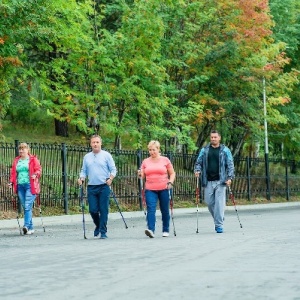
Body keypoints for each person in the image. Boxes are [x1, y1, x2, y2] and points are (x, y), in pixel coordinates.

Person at [194, 130, 234, 233]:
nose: (213, 139)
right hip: (208, 181)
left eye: (215, 137)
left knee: (219, 204)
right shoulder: (205, 150)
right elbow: (198, 162)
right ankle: (219, 217)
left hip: (221, 181)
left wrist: (229, 177)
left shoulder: (225, 150)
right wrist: (197, 170)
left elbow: (230, 164)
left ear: (219, 138)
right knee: (209, 202)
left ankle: (219, 225)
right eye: (211, 137)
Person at [78, 135, 117, 239]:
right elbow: (84, 170)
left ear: (100, 143)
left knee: (103, 209)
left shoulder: (106, 155)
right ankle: (98, 225)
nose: (95, 144)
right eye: (93, 142)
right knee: (93, 210)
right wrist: (81, 178)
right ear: (90, 144)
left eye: (97, 142)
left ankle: (103, 231)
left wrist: (111, 178)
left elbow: (113, 169)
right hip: (92, 186)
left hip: (104, 186)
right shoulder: (87, 157)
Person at [138, 140, 176, 238]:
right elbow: (142, 176)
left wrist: (170, 182)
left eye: (153, 150)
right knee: (151, 209)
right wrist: (140, 174)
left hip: (164, 187)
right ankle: (151, 229)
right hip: (150, 189)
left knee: (164, 209)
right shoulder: (145, 162)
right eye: (150, 150)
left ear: (158, 149)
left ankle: (166, 229)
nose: (152, 152)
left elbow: (172, 173)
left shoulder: (165, 160)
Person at [9, 142, 42, 235]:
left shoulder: (33, 159)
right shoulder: (16, 160)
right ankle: (30, 228)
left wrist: (35, 174)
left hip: (30, 185)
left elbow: (38, 169)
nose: (21, 150)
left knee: (27, 205)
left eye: (23, 149)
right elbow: (13, 173)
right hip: (20, 186)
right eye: (20, 149)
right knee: (25, 206)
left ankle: (26, 226)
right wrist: (11, 182)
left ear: (27, 150)